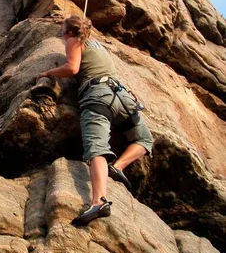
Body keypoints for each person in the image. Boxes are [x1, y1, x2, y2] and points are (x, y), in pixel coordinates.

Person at [37, 15, 153, 226]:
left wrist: (48, 71)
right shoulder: (97, 45)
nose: (63, 37)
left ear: (70, 32)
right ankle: (118, 166)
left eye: (63, 32)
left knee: (96, 148)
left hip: (98, 97)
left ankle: (98, 201)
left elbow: (72, 68)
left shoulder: (75, 41)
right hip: (123, 98)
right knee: (144, 140)